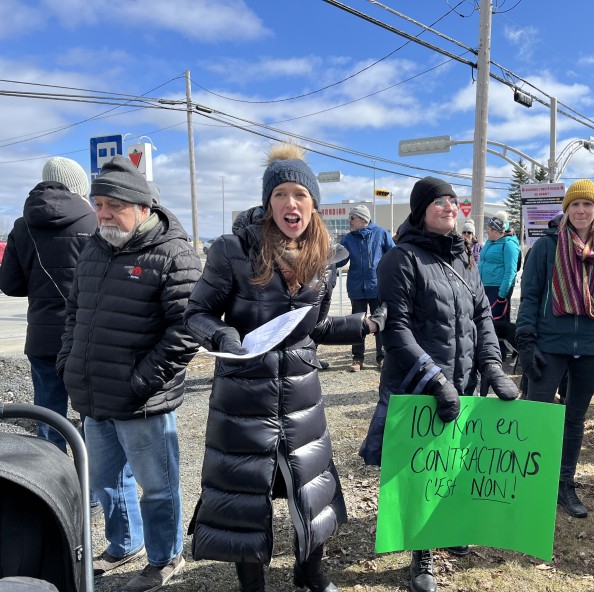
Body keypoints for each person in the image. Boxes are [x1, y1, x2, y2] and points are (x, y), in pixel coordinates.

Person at [183, 144, 383, 592]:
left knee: (309, 490)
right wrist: (222, 337)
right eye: (280, 195)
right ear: (267, 201)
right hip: (242, 395)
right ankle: (251, 582)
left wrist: (364, 325)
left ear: (312, 204)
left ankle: (310, 573)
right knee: (243, 495)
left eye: (300, 195)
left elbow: (317, 327)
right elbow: (196, 313)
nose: (290, 204)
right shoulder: (232, 251)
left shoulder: (325, 260)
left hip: (301, 395)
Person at [358, 176, 519, 592]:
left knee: (454, 460)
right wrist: (434, 379)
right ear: (420, 210)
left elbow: (482, 315)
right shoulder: (400, 259)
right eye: (439, 201)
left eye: (453, 200)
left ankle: (450, 524)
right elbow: (396, 330)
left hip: (463, 378)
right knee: (421, 469)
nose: (450, 206)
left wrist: (493, 366)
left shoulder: (464, 257)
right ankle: (422, 552)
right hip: (417, 386)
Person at [56, 156, 202, 592]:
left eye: (113, 205)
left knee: (157, 488)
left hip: (142, 401)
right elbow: (74, 312)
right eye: (98, 204)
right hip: (93, 393)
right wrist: (68, 362)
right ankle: (124, 544)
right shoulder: (95, 246)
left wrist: (141, 380)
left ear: (143, 207)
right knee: (105, 480)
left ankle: (164, 557)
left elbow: (188, 328)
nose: (102, 214)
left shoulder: (173, 253)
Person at [515, 179, 594, 519]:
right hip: (550, 343)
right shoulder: (547, 246)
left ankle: (564, 483)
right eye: (574, 205)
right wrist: (526, 339)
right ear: (565, 210)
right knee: (536, 414)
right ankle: (528, 481)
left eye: (587, 205)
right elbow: (532, 294)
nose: (581, 211)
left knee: (574, 418)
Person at [0, 157, 95, 452]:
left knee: (49, 418)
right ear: (80, 186)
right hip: (86, 335)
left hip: (41, 338)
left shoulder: (22, 224)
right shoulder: (93, 221)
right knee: (92, 418)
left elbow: (10, 284)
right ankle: (90, 492)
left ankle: (53, 490)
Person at [338, 203, 395, 372]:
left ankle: (382, 357)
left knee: (380, 323)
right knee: (357, 324)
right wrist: (327, 258)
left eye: (352, 217)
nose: (349, 220)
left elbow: (393, 256)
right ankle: (357, 358)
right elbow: (340, 261)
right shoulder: (348, 239)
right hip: (356, 288)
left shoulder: (381, 234)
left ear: (363, 219)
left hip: (377, 286)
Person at [478, 210, 520, 323]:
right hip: (484, 287)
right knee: (484, 321)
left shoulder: (509, 245)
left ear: (497, 231)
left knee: (496, 324)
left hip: (497, 289)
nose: (487, 231)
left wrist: (502, 295)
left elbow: (510, 272)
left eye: (490, 229)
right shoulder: (489, 242)